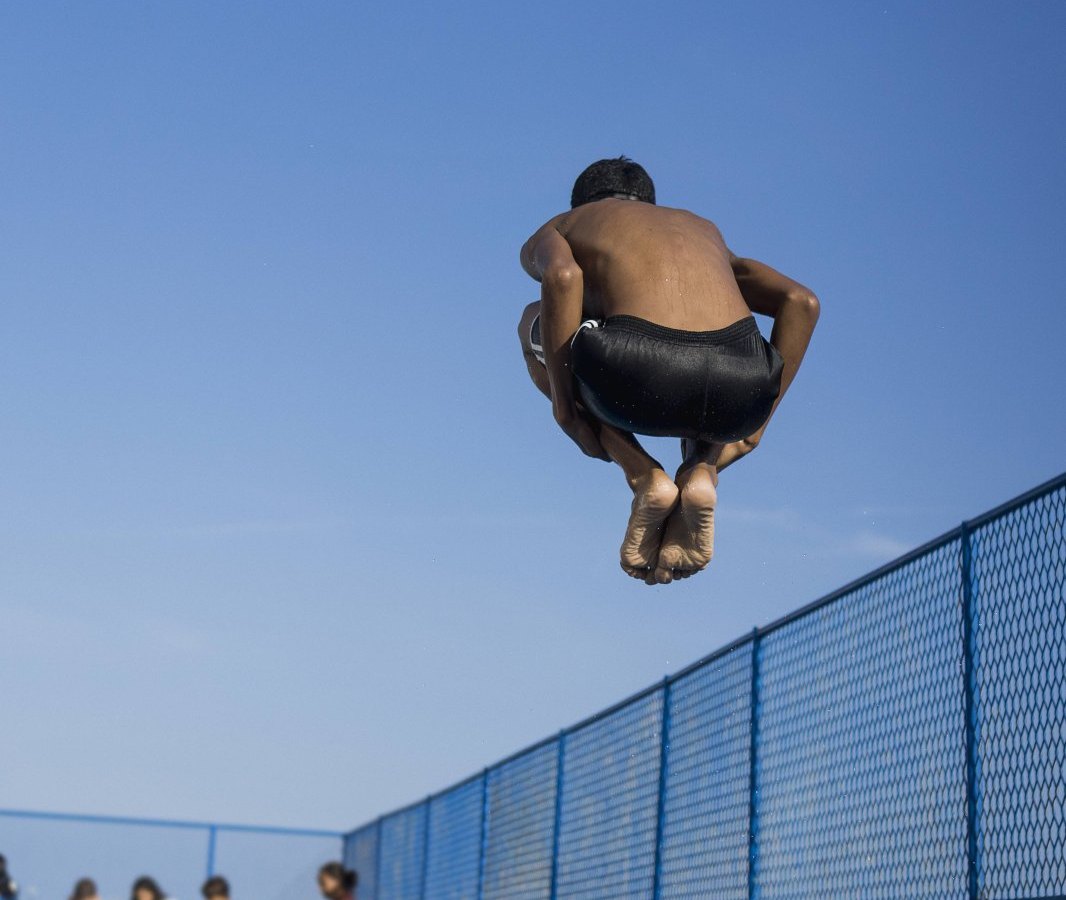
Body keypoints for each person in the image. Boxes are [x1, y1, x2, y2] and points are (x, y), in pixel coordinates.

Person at [519, 157, 819, 584]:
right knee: (703, 340)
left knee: (536, 317)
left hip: (636, 374)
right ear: (651, 203)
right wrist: (752, 431)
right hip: (744, 392)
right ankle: (702, 469)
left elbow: (564, 276)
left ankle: (643, 474)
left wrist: (565, 409)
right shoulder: (704, 231)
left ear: (581, 202)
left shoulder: (567, 224)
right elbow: (801, 302)